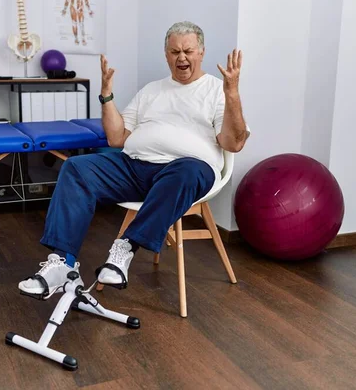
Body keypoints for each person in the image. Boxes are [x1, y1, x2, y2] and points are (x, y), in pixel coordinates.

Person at [19, 21, 250, 297]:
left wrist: (233, 94)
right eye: (174, 51)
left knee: (185, 172)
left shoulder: (216, 90)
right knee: (76, 167)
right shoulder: (151, 90)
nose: (182, 57)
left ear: (201, 52)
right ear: (166, 55)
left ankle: (125, 247)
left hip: (188, 170)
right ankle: (62, 265)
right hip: (135, 166)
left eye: (188, 50)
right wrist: (106, 95)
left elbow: (234, 143)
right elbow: (117, 138)